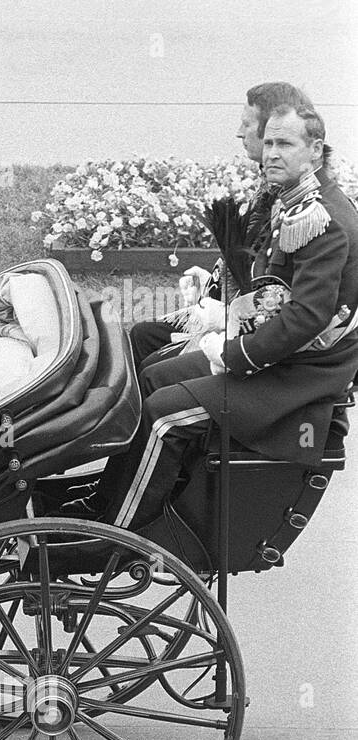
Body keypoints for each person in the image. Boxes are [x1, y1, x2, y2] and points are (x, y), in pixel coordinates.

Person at [78, 104, 358, 531]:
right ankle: (108, 499)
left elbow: (305, 317)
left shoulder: (324, 218)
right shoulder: (298, 202)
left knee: (163, 413)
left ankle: (120, 529)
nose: (271, 154)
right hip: (277, 356)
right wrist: (225, 313)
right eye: (268, 143)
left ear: (315, 149)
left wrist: (233, 354)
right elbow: (272, 296)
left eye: (285, 143)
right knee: (153, 375)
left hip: (298, 377)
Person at [129, 82, 323, 369]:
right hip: (242, 322)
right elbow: (253, 268)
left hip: (261, 344)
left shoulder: (302, 207)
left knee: (153, 369)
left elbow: (283, 295)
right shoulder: (273, 186)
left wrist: (226, 314)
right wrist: (212, 284)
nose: (239, 132)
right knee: (142, 336)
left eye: (247, 124)